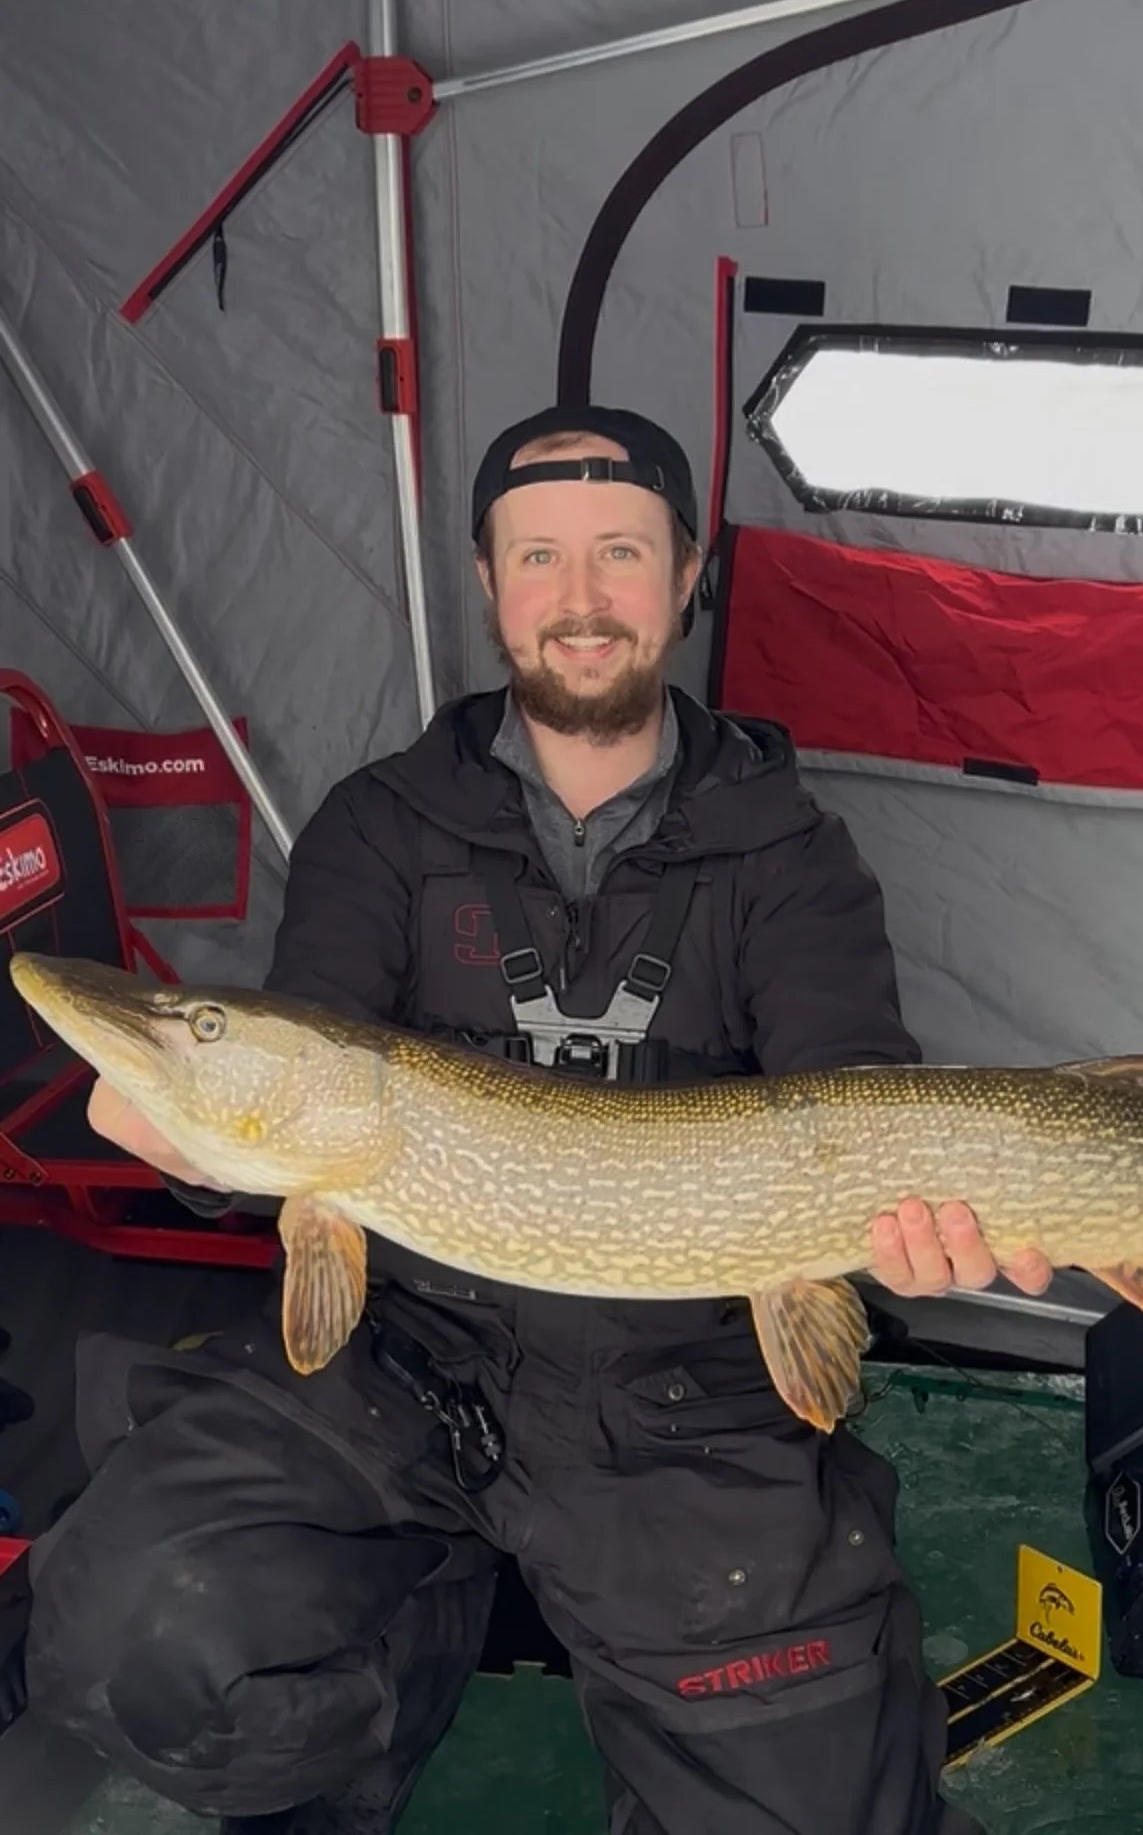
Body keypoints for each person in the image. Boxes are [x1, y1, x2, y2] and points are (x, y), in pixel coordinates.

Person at [21, 405, 1053, 1835]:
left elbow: (854, 1101)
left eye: (621, 554)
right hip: (404, 1363)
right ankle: (406, 1662)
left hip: (685, 1404)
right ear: (490, 582)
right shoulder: (377, 827)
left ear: (687, 575)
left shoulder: (794, 861)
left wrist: (905, 1242)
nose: (581, 600)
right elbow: (293, 1089)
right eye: (540, 557)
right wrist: (206, 1152)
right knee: (123, 1632)